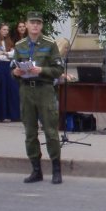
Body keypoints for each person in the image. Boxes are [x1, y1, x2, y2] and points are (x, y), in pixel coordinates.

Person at [13, 12, 65, 183]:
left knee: (50, 131)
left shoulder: (49, 44)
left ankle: (56, 170)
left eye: (38, 23)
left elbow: (58, 69)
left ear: (41, 26)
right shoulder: (20, 45)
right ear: (26, 25)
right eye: (32, 23)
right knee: (30, 132)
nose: (35, 26)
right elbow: (13, 68)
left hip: (45, 90)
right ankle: (36, 170)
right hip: (27, 91)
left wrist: (42, 70)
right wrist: (16, 72)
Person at [0, 23, 20, 122]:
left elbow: (14, 54)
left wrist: (5, 53)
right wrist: (7, 54)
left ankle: (13, 115)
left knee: (13, 89)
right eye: (4, 29)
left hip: (10, 67)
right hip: (1, 67)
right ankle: (1, 115)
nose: (6, 31)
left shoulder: (9, 41)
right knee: (2, 90)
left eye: (7, 30)